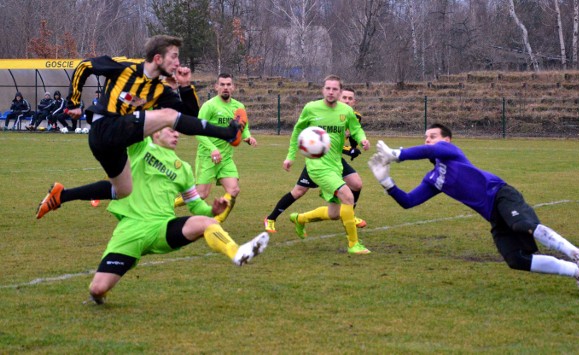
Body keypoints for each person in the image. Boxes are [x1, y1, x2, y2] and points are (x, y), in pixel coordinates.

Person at [368, 123, 579, 298]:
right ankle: (578, 272)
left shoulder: (449, 150)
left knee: (521, 225)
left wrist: (398, 154)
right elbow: (409, 201)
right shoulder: (433, 178)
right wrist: (387, 182)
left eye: (433, 136)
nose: (428, 140)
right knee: (516, 260)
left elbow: (431, 151)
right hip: (493, 215)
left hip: (502, 195)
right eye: (425, 137)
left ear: (446, 140)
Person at [36, 35, 244, 219]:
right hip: (104, 127)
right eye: (174, 56)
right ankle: (229, 133)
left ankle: (61, 195)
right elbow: (84, 66)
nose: (178, 63)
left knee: (124, 190)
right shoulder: (125, 67)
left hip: (113, 144)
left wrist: (185, 86)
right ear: (157, 58)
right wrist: (73, 102)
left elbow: (190, 118)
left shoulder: (159, 90)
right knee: (167, 116)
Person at [86, 127, 269, 304]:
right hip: (130, 230)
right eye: (171, 130)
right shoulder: (140, 146)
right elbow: (136, 122)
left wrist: (212, 211)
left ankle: (237, 252)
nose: (177, 134)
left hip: (161, 228)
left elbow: (196, 206)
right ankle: (100, 295)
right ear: (156, 131)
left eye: (177, 131)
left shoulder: (183, 169)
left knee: (206, 222)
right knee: (97, 289)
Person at [283, 75, 371, 255]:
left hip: (335, 165)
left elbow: (355, 128)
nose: (331, 92)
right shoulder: (311, 108)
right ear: (323, 90)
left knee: (334, 213)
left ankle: (300, 219)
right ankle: (354, 244)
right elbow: (297, 131)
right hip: (317, 166)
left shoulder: (345, 111)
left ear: (339, 92)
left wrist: (362, 140)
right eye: (327, 88)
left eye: (334, 89)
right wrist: (290, 156)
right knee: (348, 197)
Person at [264, 87, 367, 233]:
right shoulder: (324, 113)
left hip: (335, 161)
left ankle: (350, 215)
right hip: (318, 161)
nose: (347, 101)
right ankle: (271, 218)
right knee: (298, 191)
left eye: (350, 99)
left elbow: (353, 135)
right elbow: (321, 141)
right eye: (345, 98)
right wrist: (348, 150)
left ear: (354, 101)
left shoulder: (353, 116)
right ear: (338, 97)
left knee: (356, 184)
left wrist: (356, 145)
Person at [174, 73, 257, 224]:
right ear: (216, 87)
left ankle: (216, 221)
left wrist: (248, 136)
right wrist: (212, 148)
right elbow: (197, 130)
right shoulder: (209, 106)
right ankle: (170, 203)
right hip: (207, 156)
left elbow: (243, 127)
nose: (225, 87)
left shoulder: (239, 107)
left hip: (226, 158)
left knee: (233, 190)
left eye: (228, 84)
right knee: (201, 194)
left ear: (233, 87)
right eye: (222, 84)